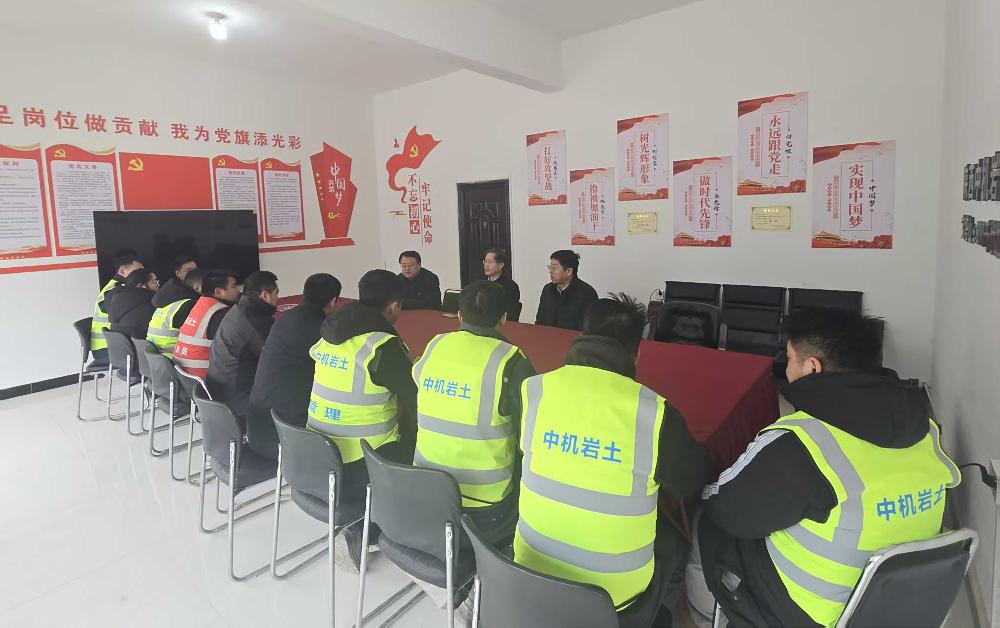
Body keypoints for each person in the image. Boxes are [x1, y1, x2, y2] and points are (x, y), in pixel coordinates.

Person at [688, 308, 961, 628]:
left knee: (709, 520)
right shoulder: (924, 429)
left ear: (812, 368)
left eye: (790, 358)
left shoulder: (802, 441)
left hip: (818, 614)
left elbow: (727, 508)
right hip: (906, 603)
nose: (786, 368)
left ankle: (702, 616)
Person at [514, 294, 708, 628]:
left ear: (581, 335)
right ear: (636, 352)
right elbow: (689, 483)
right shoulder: (654, 413)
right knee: (676, 544)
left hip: (529, 570)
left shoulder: (534, 390)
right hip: (616, 598)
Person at [307, 269, 418, 568]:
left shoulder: (331, 334)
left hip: (317, 452)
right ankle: (367, 528)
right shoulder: (380, 345)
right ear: (394, 306)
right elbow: (414, 392)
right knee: (422, 442)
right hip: (360, 461)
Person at [411, 280, 536, 532]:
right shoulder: (511, 360)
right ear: (504, 318)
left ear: (459, 315)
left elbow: (416, 377)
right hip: (486, 504)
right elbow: (531, 424)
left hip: (427, 490)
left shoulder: (435, 344)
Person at [247, 273, 342, 459]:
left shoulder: (285, 318)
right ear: (333, 302)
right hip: (286, 439)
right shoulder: (322, 330)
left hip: (258, 425)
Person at [207, 270, 279, 419]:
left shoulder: (238, 309)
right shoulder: (254, 320)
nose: (277, 298)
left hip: (220, 389)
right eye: (276, 293)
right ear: (265, 295)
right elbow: (276, 359)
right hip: (238, 401)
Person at [173, 270, 239, 380]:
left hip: (185, 376)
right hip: (205, 378)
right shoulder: (221, 314)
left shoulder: (201, 305)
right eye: (233, 286)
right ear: (218, 292)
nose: (238, 290)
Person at [90, 251, 143, 364]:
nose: (142, 274)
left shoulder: (116, 288)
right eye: (138, 270)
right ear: (122, 271)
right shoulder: (113, 291)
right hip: (107, 349)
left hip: (112, 346)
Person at [534, 249, 598, 331]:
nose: (550, 271)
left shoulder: (587, 293)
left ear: (568, 271)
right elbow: (540, 321)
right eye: (550, 267)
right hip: (546, 336)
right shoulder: (547, 289)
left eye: (554, 268)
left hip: (574, 338)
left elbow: (588, 329)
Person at [147, 269, 205, 358]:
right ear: (198, 287)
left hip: (158, 357)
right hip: (173, 357)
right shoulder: (189, 305)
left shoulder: (168, 301)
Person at [108, 269, 160, 340]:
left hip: (122, 345)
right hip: (142, 345)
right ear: (141, 285)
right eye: (155, 281)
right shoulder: (150, 306)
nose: (158, 284)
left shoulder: (118, 300)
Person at [483, 248, 521, 321]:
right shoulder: (480, 284)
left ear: (501, 265)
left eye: (490, 262)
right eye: (485, 261)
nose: (486, 265)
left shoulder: (511, 286)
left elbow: (510, 314)